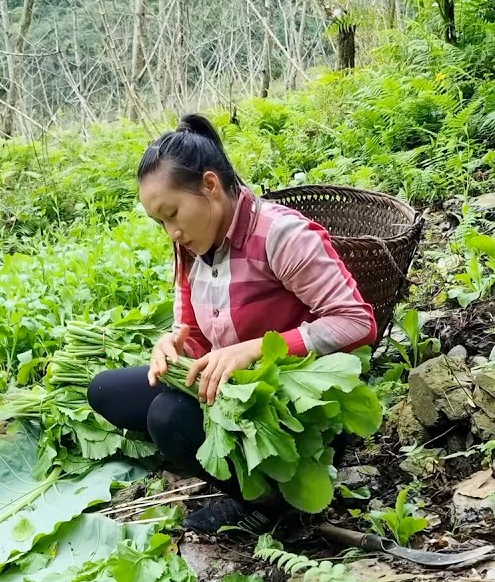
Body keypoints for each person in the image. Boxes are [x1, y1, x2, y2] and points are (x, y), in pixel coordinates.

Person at [86, 114, 376, 534]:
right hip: (229, 384)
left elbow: (356, 321)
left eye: (172, 214)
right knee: (107, 391)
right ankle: (229, 461)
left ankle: (268, 501)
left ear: (209, 185)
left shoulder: (280, 236)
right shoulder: (195, 244)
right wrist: (173, 346)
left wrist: (257, 348)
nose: (171, 232)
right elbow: (195, 335)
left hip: (290, 403)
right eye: (160, 223)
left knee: (167, 418)